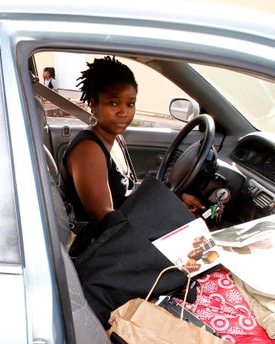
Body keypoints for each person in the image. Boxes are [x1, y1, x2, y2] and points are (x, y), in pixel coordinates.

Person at [58, 56, 205, 227]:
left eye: (130, 104)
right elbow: (104, 218)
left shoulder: (115, 139)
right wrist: (167, 213)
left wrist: (173, 197)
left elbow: (129, 192)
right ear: (94, 104)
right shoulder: (88, 149)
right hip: (96, 245)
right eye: (113, 103)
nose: (123, 112)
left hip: (121, 233)